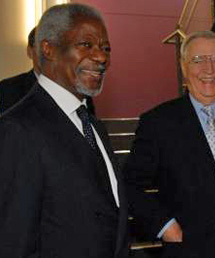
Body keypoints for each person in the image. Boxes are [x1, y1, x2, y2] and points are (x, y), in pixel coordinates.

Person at [0, 3, 128, 258]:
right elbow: (13, 243)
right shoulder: (18, 129)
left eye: (105, 48)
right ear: (48, 49)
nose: (101, 57)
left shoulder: (94, 126)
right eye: (86, 45)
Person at [124, 31, 215, 258]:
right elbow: (129, 185)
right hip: (188, 250)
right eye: (198, 60)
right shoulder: (158, 123)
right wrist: (164, 225)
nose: (209, 69)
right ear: (184, 67)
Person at [0, 27, 95, 115]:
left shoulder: (77, 88)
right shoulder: (8, 89)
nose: (49, 53)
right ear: (30, 51)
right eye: (43, 48)